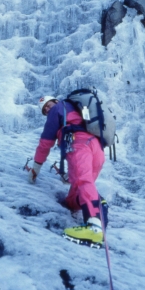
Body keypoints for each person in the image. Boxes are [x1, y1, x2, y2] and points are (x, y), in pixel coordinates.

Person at [29, 95, 108, 247]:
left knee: (83, 181)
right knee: (79, 190)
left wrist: (36, 168)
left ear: (55, 101)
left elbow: (45, 143)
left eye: (48, 104)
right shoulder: (76, 107)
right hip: (97, 147)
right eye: (45, 110)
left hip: (78, 143)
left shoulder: (58, 108)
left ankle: (94, 227)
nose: (47, 109)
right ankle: (98, 202)